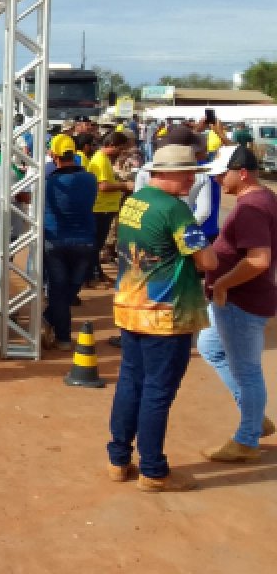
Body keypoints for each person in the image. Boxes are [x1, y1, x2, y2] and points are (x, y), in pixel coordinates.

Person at [107, 144, 217, 492]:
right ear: (167, 173)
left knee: (130, 382)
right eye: (188, 174)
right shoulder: (175, 210)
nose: (192, 180)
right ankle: (153, 469)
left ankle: (119, 457)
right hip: (164, 314)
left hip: (130, 306)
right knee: (158, 390)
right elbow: (208, 262)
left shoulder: (135, 202)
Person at [195, 146, 277, 462]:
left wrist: (223, 284)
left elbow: (258, 260)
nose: (217, 179)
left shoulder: (251, 207)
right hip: (241, 297)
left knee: (246, 369)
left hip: (239, 299)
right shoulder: (261, 198)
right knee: (210, 346)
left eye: (221, 173)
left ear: (241, 173)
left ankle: (247, 438)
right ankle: (254, 419)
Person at [40, 134, 96, 351]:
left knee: (58, 290)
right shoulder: (90, 179)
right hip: (85, 242)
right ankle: (56, 326)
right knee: (71, 289)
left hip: (55, 241)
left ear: (54, 155)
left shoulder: (49, 182)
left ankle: (61, 333)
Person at [86, 132, 133, 285]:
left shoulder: (103, 159)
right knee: (96, 244)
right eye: (120, 148)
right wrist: (124, 185)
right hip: (100, 208)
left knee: (97, 244)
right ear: (111, 145)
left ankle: (96, 273)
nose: (121, 152)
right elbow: (103, 186)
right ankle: (93, 275)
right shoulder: (100, 160)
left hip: (104, 207)